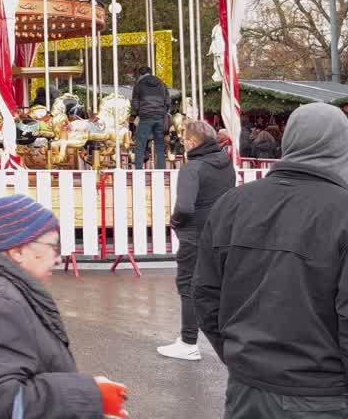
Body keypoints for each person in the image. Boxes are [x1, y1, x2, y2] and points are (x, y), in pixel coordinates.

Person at [194, 103, 348, 415]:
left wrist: (238, 356)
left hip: (247, 389)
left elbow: (205, 295)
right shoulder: (342, 210)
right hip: (322, 394)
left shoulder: (232, 204)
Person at [0, 194, 125, 418]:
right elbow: (0, 402)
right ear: (17, 251)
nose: (58, 258)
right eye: (52, 246)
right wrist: (87, 395)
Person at [157, 120, 235, 362]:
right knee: (218, 286)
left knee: (189, 286)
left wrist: (176, 222)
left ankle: (189, 341)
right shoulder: (226, 164)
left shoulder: (193, 168)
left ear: (191, 142)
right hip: (221, 231)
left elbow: (184, 207)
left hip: (195, 233)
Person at [130, 66, 171, 169]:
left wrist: (138, 113)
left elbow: (135, 102)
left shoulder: (139, 85)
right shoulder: (161, 83)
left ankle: (138, 169)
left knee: (141, 144)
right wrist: (163, 112)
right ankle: (161, 169)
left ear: (140, 74)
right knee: (160, 145)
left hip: (145, 117)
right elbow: (168, 101)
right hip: (159, 117)